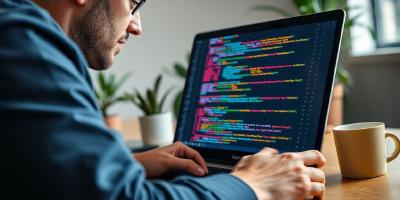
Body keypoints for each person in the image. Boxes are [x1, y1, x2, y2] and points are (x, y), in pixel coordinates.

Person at [0, 0, 326, 199]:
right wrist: (254, 185)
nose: (136, 25)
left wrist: (126, 165)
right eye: (134, 2)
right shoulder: (21, 40)